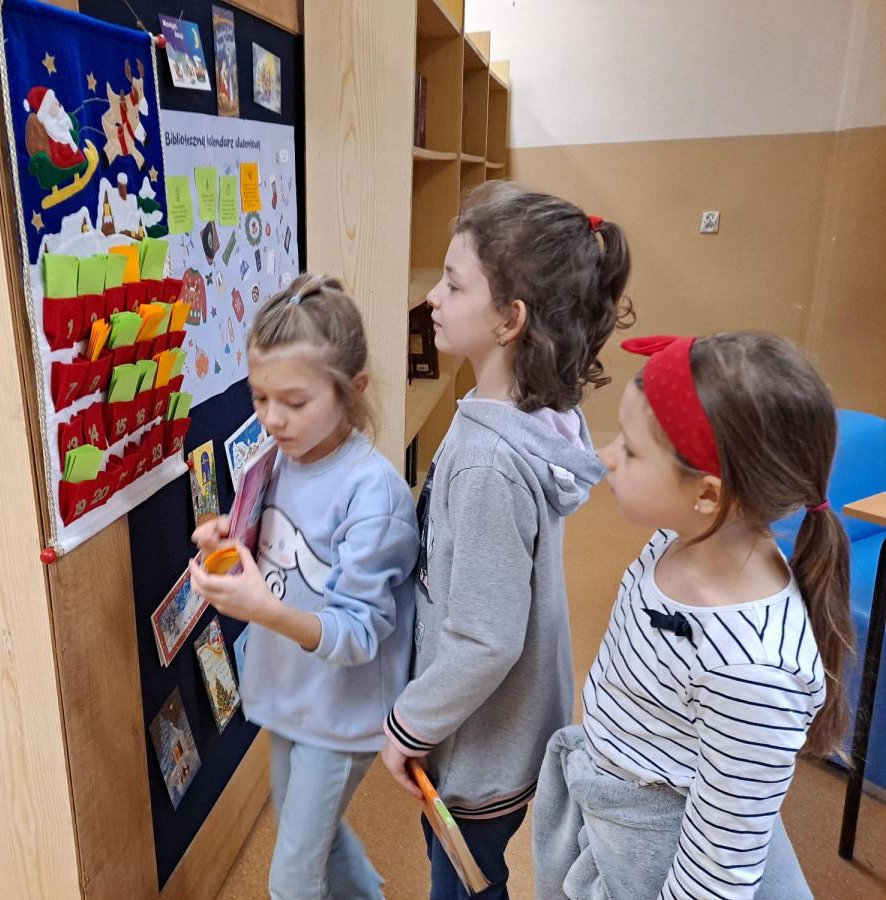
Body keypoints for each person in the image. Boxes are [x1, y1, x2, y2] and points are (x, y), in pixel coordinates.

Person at [380, 181, 633, 899]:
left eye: (454, 284)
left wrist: (408, 724)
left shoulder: (488, 461)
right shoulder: (535, 414)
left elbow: (487, 640)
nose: (433, 298)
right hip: (514, 723)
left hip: (481, 747)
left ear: (508, 320)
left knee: (464, 883)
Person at [533, 332, 853, 899]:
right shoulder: (677, 538)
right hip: (612, 801)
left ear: (708, 494)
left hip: (659, 860)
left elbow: (717, 872)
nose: (606, 456)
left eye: (631, 451)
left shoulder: (752, 670)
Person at [188, 273, 419, 900]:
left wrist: (264, 609)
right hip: (290, 692)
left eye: (293, 401)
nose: (272, 418)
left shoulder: (373, 495)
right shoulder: (277, 459)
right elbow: (271, 556)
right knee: (313, 834)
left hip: (338, 712)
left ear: (353, 390)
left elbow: (360, 634)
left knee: (292, 880)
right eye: (260, 397)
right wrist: (227, 542)